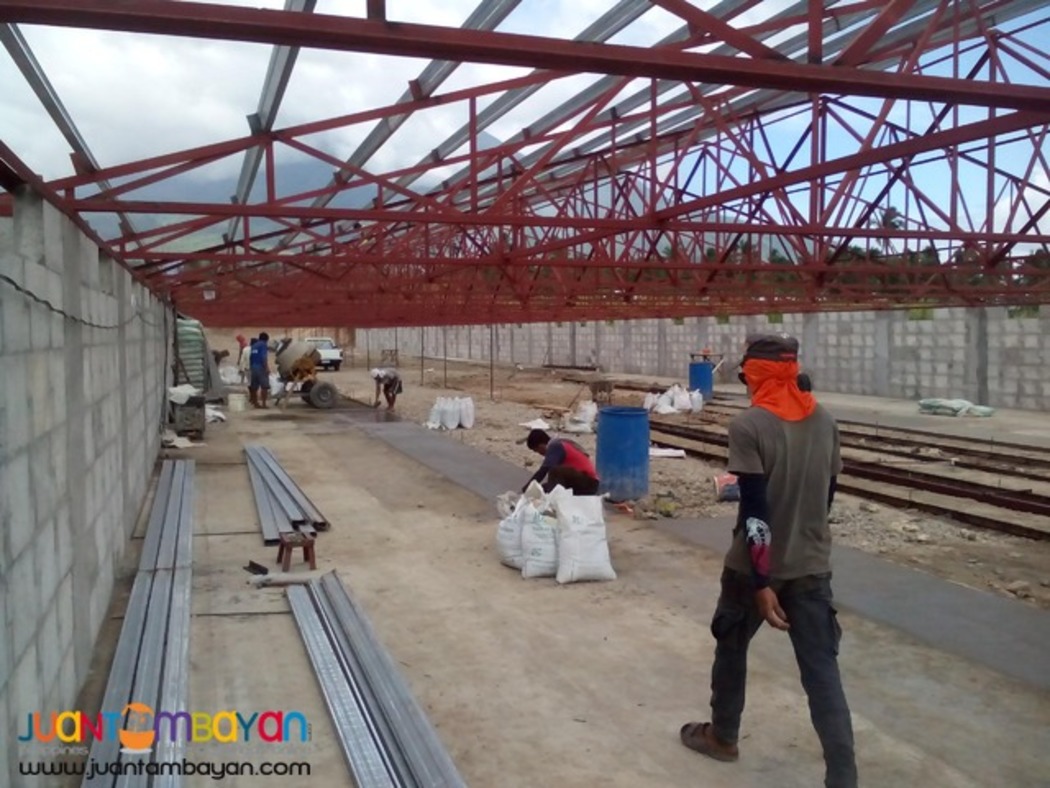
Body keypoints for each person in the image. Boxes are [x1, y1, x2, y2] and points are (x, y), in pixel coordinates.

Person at [680, 333, 857, 788]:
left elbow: (755, 512)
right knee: (822, 673)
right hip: (812, 566)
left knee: (732, 648)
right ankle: (843, 777)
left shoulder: (750, 426)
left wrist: (762, 581)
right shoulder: (826, 421)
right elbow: (827, 497)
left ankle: (723, 737)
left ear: (754, 374)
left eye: (745, 376)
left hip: (750, 571)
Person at [523, 429, 600, 496]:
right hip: (580, 480)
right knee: (543, 489)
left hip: (589, 482)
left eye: (537, 450)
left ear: (541, 446)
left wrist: (527, 488)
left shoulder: (555, 446)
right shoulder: (559, 444)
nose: (539, 453)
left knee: (555, 471)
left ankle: (554, 504)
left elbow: (543, 470)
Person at [249, 333, 271, 409]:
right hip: (260, 368)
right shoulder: (263, 345)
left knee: (254, 387)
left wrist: (251, 367)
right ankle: (264, 404)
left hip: (253, 367)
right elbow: (263, 357)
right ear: (266, 339)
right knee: (264, 386)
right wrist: (267, 368)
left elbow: (251, 357)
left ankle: (255, 403)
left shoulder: (254, 346)